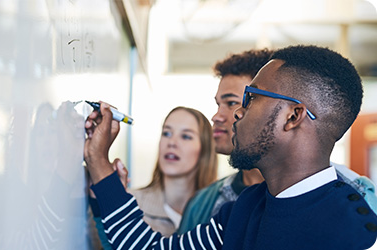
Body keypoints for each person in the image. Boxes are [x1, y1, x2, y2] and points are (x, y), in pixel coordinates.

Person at [84, 45, 377, 249]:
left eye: (250, 98)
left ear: (293, 116)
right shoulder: (243, 210)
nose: (238, 113)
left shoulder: (361, 233)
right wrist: (99, 163)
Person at [89, 106, 218, 248]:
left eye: (186, 136)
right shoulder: (127, 203)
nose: (172, 142)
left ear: (205, 149)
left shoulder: (217, 210)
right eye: (167, 133)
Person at [178, 49, 273, 233]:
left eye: (230, 103)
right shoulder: (202, 204)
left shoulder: (318, 197)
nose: (216, 117)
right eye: (217, 105)